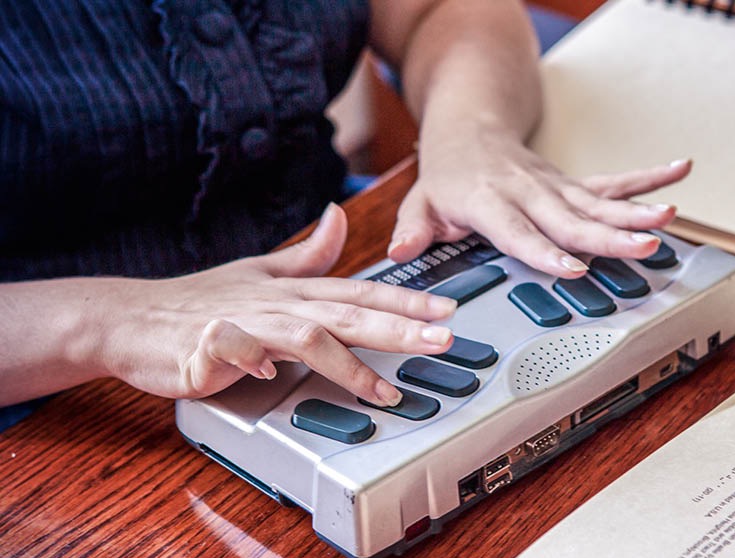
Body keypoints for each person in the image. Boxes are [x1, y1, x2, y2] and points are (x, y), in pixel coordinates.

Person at [0, 0, 689, 415]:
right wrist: (109, 320)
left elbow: (440, 11)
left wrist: (467, 132)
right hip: (58, 402)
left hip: (354, 260)